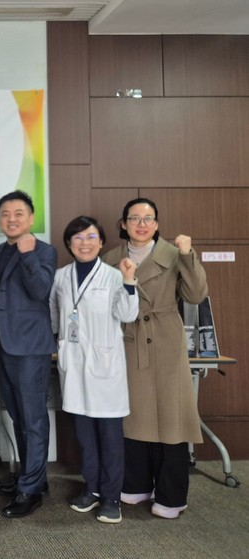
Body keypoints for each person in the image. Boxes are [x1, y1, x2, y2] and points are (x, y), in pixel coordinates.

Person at [103, 198, 207, 519]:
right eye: (134, 218)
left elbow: (195, 295)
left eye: (148, 218)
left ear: (157, 224)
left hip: (164, 342)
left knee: (171, 420)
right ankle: (135, 484)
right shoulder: (110, 259)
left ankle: (171, 496)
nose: (142, 224)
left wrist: (188, 255)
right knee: (133, 416)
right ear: (123, 224)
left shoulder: (175, 254)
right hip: (128, 341)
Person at [50, 216, 138, 524]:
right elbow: (54, 312)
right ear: (69, 243)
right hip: (74, 365)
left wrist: (129, 280)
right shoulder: (61, 277)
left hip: (105, 366)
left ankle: (111, 497)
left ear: (101, 242)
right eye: (77, 238)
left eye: (90, 237)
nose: (84, 243)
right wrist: (59, 342)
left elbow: (128, 313)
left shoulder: (114, 276)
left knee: (110, 437)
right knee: (84, 434)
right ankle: (92, 489)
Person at [0, 190, 57, 518]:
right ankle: (33, 478)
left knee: (33, 420)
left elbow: (41, 290)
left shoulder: (44, 251)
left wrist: (28, 256)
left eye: (18, 213)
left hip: (31, 349)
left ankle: (30, 490)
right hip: (3, 348)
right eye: (5, 214)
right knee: (18, 416)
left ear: (31, 218)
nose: (11, 219)